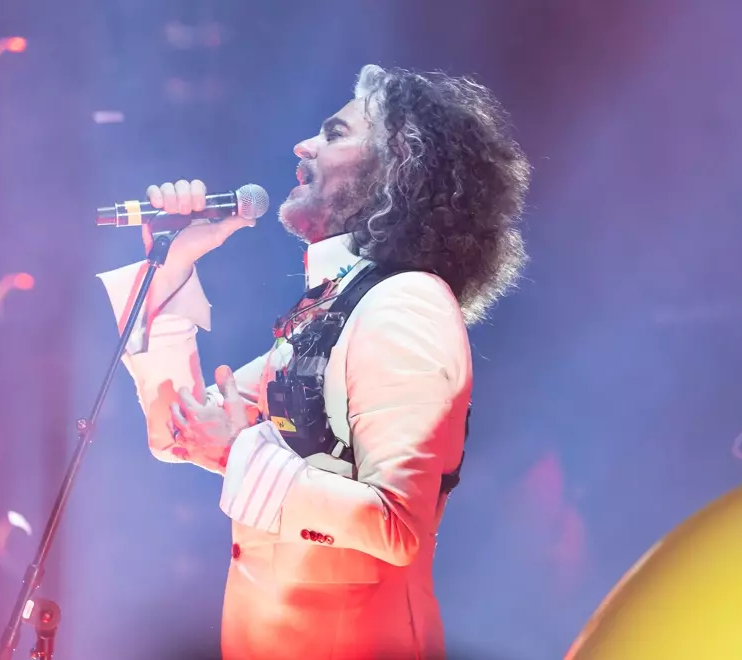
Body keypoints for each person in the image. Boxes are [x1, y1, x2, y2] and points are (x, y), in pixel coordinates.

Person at [98, 64, 530, 659]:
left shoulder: (407, 303)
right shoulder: (331, 309)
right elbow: (179, 430)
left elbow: (397, 525)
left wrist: (235, 452)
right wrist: (174, 262)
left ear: (396, 167)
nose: (303, 146)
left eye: (334, 134)